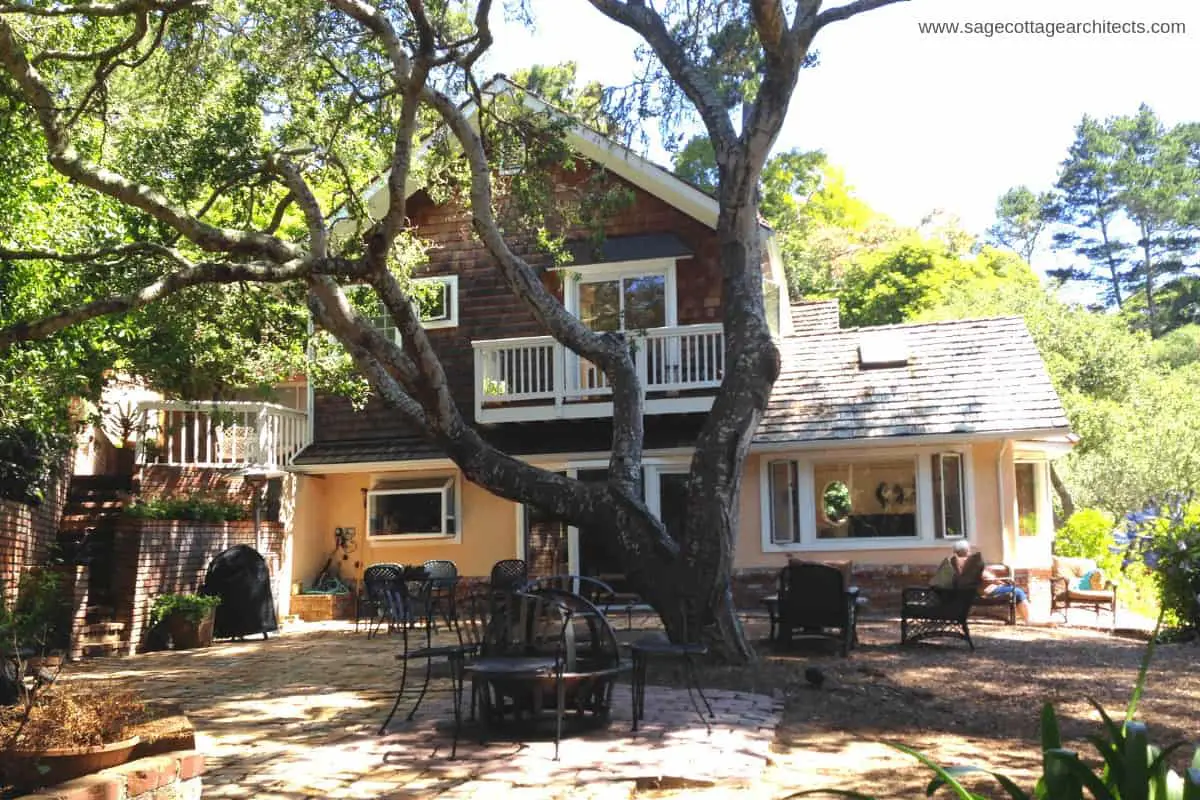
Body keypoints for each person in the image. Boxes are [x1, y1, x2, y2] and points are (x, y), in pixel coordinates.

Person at [952, 540, 1030, 623]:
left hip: (970, 593)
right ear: (967, 550)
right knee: (1018, 592)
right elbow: (985, 577)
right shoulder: (971, 562)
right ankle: (1028, 619)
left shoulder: (954, 562)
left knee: (1013, 590)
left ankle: (1025, 618)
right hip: (985, 591)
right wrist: (998, 580)